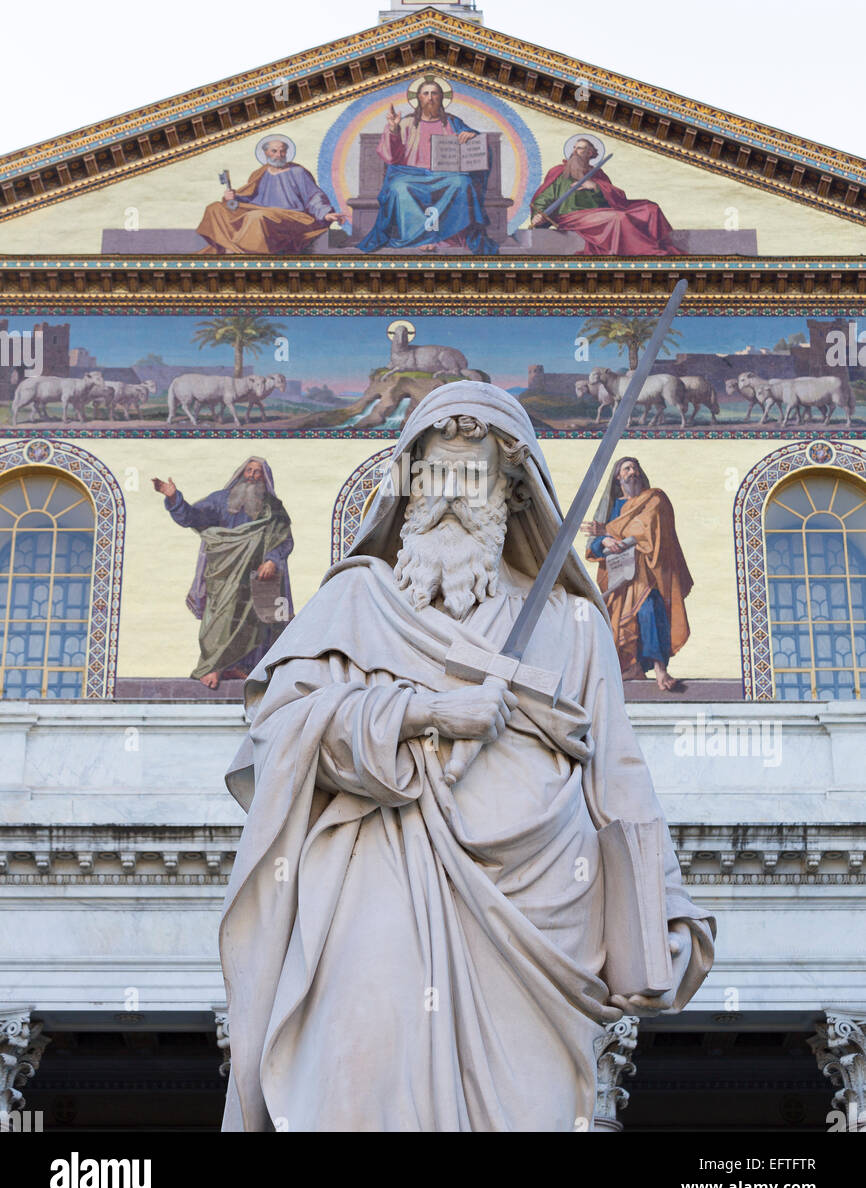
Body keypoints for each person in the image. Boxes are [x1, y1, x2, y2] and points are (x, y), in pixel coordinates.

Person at [218, 383, 714, 1132]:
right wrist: (424, 712)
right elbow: (276, 734)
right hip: (376, 880)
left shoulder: (575, 624)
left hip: (542, 912)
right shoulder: (356, 603)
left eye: (470, 477)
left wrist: (666, 906)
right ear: (408, 489)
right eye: (434, 477)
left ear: (513, 493)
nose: (450, 495)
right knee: (355, 1077)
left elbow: (620, 777)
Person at [152, 457, 293, 690]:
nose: (252, 475)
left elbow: (284, 538)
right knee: (220, 618)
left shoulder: (273, 507)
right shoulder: (220, 500)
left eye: (258, 472)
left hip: (257, 577)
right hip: (223, 573)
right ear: (241, 473)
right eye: (249, 470)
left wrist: (272, 559)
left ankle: (244, 667)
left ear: (264, 478)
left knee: (257, 622)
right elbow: (193, 517)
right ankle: (213, 667)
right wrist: (174, 498)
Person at [582, 456, 693, 691]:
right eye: (626, 468)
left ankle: (660, 670)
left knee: (649, 611)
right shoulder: (612, 507)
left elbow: (650, 530)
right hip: (618, 576)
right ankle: (631, 666)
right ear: (617, 477)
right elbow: (593, 545)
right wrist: (605, 541)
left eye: (634, 468)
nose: (632, 472)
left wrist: (609, 531)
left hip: (647, 571)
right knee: (618, 623)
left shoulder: (654, 499)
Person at [360, 77, 498, 254]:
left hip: (445, 175)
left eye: (434, 93)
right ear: (419, 97)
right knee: (398, 187)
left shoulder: (452, 122)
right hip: (411, 174)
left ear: (441, 97)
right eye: (426, 93)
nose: (430, 98)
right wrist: (393, 130)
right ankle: (416, 239)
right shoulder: (406, 123)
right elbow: (392, 157)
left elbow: (475, 139)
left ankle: (448, 238)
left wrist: (469, 134)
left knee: (462, 183)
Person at [530, 135, 682, 256]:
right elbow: (543, 198)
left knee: (650, 208)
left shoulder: (598, 173)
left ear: (590, 153)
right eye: (574, 148)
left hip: (601, 212)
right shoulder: (560, 172)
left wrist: (596, 187)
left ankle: (659, 245)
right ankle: (646, 252)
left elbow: (617, 198)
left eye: (581, 149)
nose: (575, 152)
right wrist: (538, 215)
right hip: (573, 216)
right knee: (618, 218)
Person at [197, 136, 345, 254]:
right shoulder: (260, 173)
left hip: (292, 216)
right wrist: (233, 197)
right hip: (261, 211)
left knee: (256, 217)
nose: (279, 155)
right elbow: (249, 197)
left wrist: (325, 214)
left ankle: (242, 254)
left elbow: (314, 197)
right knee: (215, 208)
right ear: (266, 153)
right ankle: (230, 248)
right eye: (274, 151)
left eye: (282, 152)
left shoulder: (298, 172)